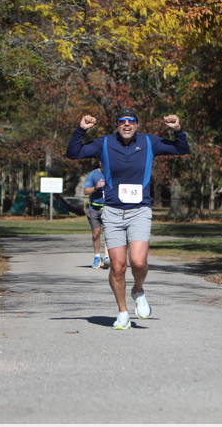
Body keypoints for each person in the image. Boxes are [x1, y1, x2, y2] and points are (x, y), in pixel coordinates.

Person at [65, 107, 190, 329]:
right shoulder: (104, 143)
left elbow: (182, 148)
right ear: (117, 125)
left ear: (137, 124)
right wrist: (81, 129)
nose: (126, 124)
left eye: (131, 120)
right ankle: (123, 312)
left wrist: (178, 129)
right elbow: (73, 152)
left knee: (139, 262)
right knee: (118, 266)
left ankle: (138, 290)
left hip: (139, 211)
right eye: (122, 120)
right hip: (112, 212)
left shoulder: (149, 142)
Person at [83, 164, 110, 269]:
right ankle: (97, 256)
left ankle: (107, 257)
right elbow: (85, 191)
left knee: (108, 233)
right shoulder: (94, 174)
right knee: (96, 234)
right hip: (95, 209)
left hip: (109, 209)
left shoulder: (113, 172)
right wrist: (96, 187)